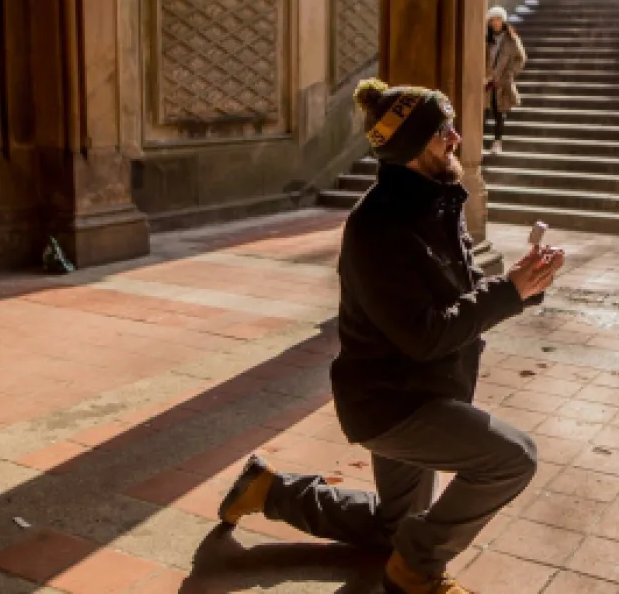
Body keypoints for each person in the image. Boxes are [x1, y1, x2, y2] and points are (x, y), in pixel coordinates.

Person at [218, 78, 566, 594]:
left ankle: (268, 491)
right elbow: (424, 336)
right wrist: (508, 293)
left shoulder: (437, 202)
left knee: (393, 527)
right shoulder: (377, 227)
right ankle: (416, 568)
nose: (456, 139)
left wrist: (523, 285)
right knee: (513, 459)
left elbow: (465, 294)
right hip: (393, 405)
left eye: (451, 126)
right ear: (412, 147)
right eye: (443, 131)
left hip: (428, 391)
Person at [484, 7, 527, 155]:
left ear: (503, 21)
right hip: (487, 81)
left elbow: (521, 58)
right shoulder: (486, 38)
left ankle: (497, 142)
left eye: (499, 19)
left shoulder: (511, 38)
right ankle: (478, 143)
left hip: (502, 82)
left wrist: (510, 73)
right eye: (493, 20)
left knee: (499, 112)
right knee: (483, 112)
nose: (496, 22)